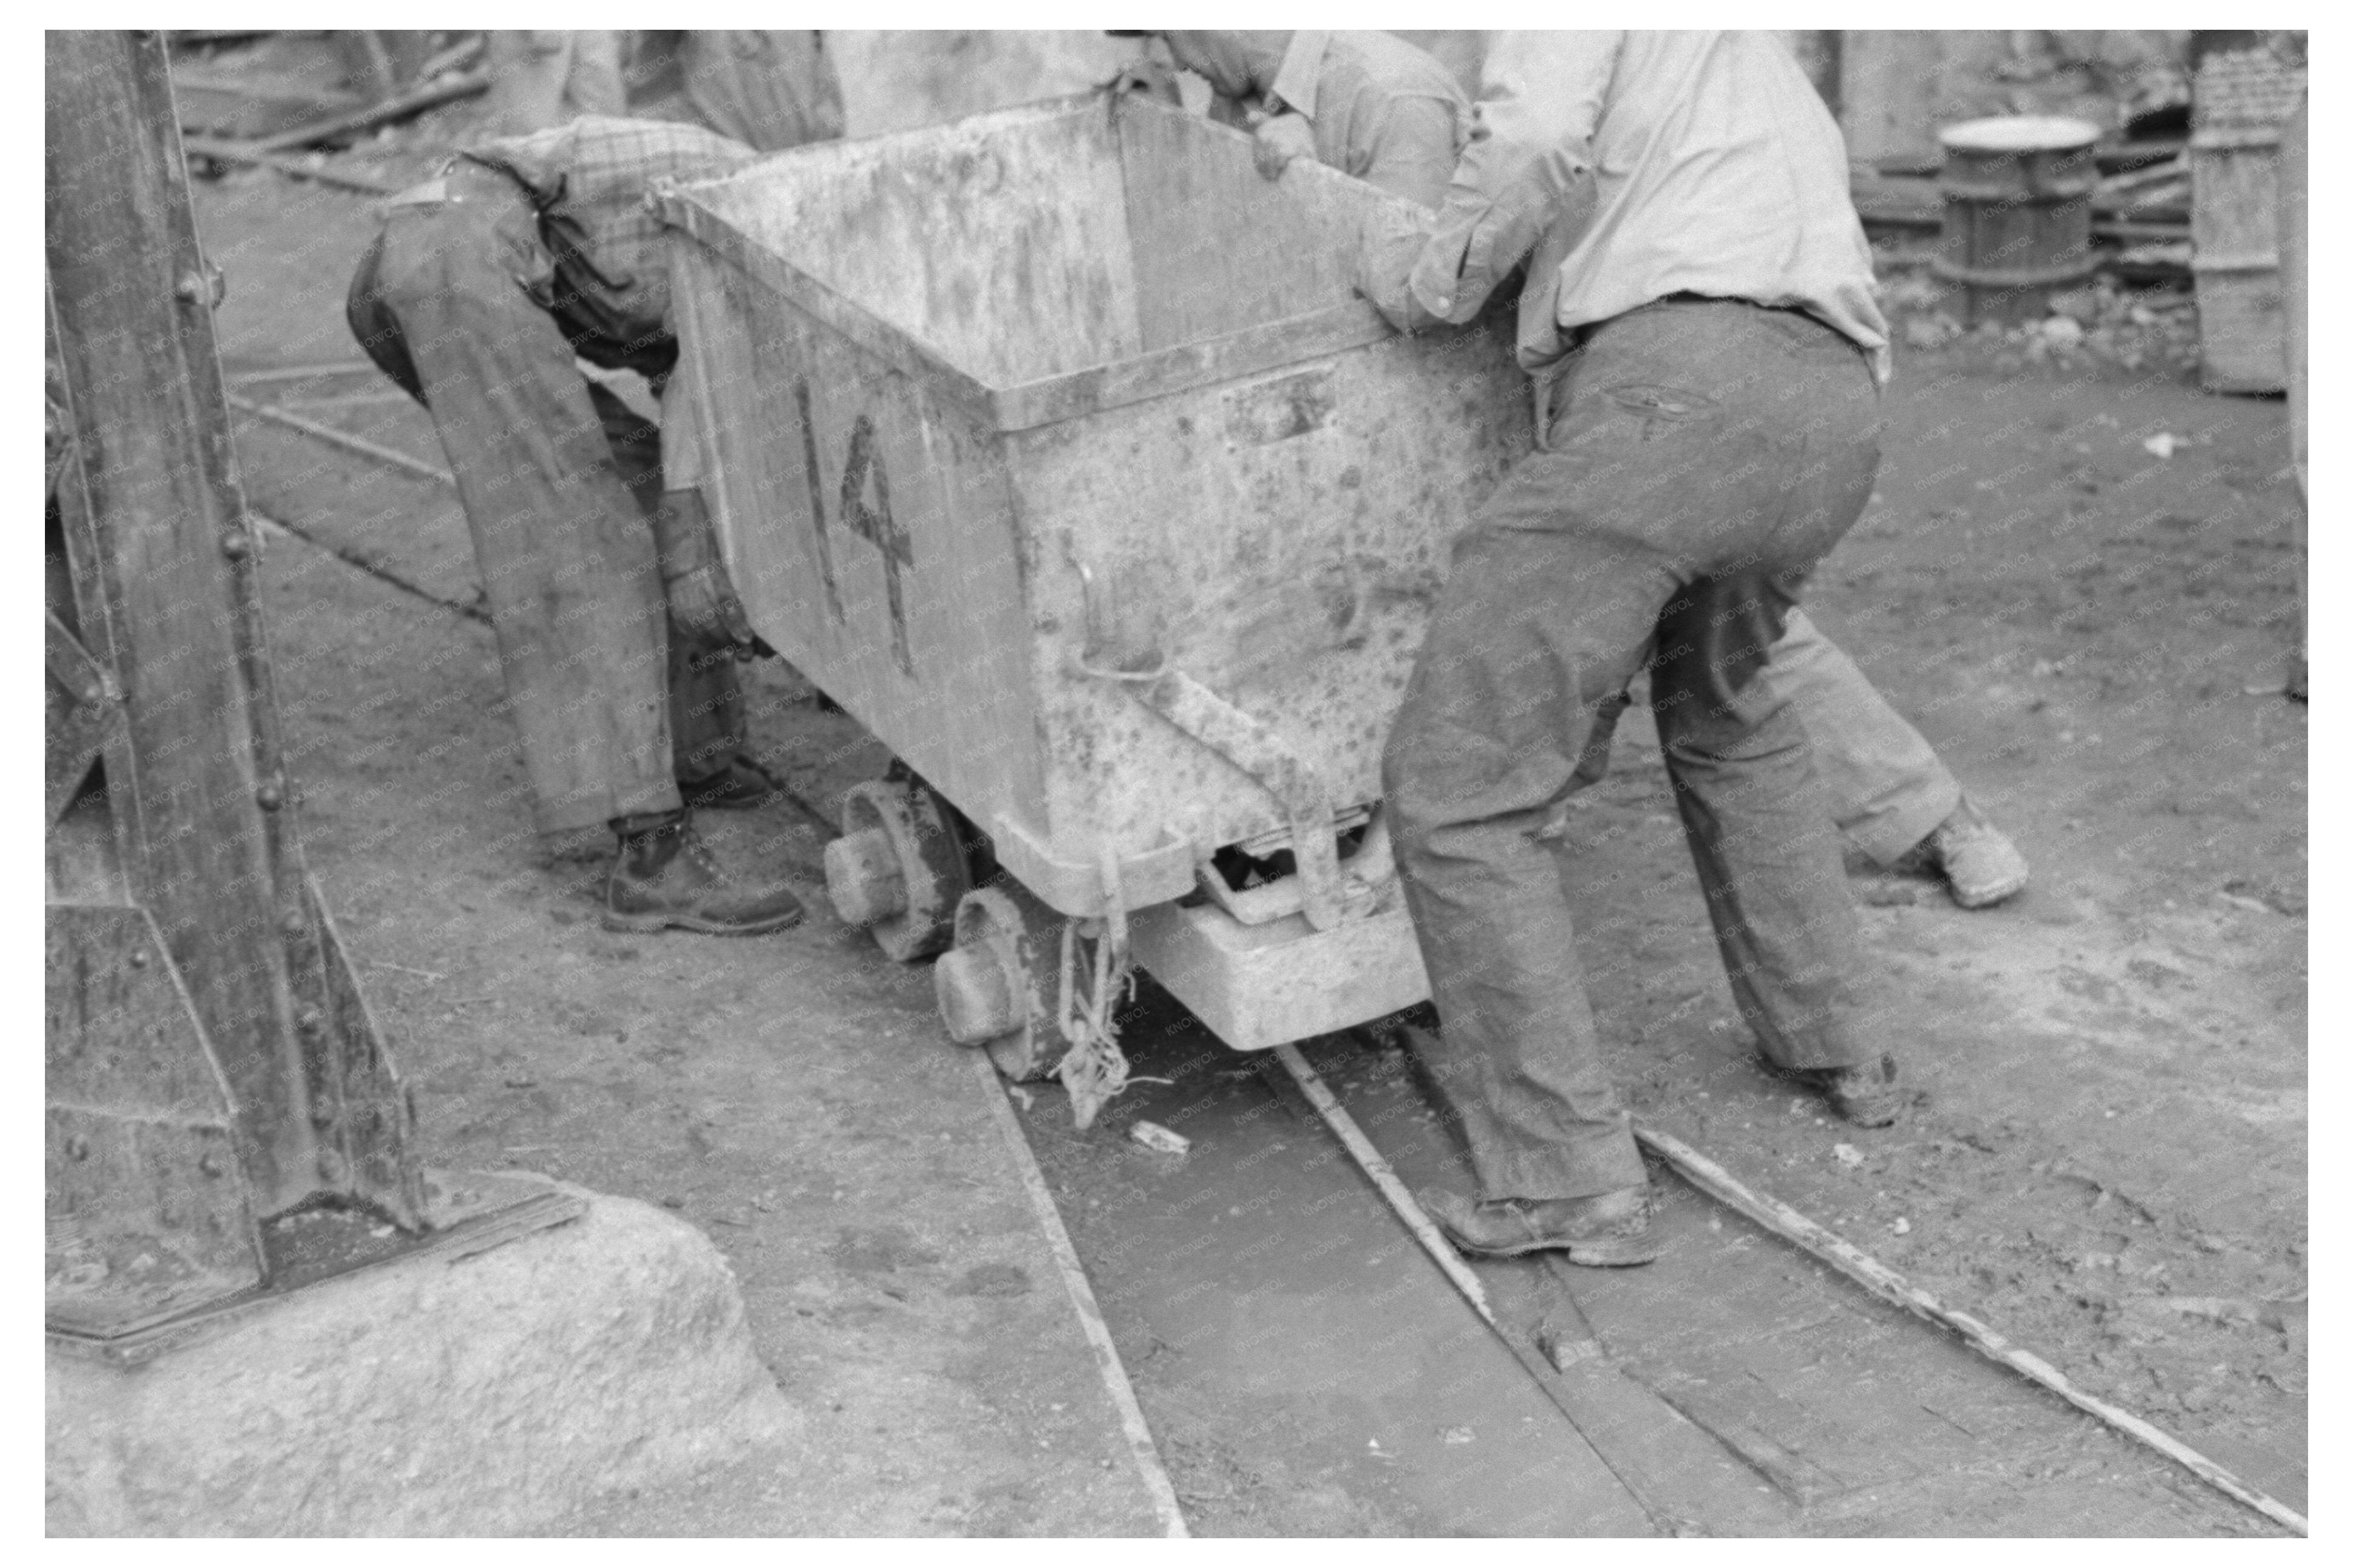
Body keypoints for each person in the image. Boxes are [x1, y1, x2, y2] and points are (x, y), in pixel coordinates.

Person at [1142, 27, 2029, 910]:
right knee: (1687, 629)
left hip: (1571, 391)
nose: (1165, 60)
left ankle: (1936, 815)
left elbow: (1424, 282)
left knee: (1695, 633)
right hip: (1636, 372)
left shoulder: (1389, 89)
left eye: (1160, 33)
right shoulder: (1278, 98)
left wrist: (1329, 215)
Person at [1357, 30, 1918, 1264]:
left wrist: (1421, 279)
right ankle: (1839, 1042)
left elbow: (1534, 142)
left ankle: (1563, 1178)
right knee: (1731, 711)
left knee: (1459, 789)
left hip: (1673, 388)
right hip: (1833, 411)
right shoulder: (1751, 54)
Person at [346, 116, 814, 936]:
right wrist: (704, 551)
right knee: (584, 532)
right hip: (456, 254)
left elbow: (689, 417)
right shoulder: (761, 229)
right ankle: (651, 857)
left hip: (442, 245)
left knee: (633, 487)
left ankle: (695, 754)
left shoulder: (768, 216)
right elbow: (699, 437)